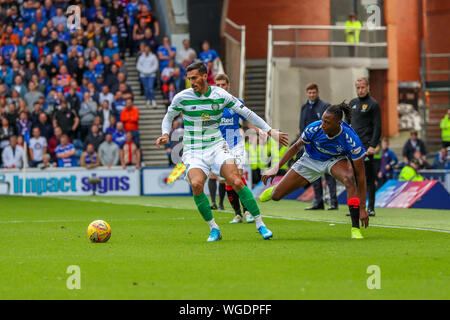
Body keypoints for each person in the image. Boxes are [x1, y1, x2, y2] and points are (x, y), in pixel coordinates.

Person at [156, 61, 289, 242]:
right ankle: (214, 228)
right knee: (196, 185)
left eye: (194, 78)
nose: (191, 82)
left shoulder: (221, 95)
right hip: (193, 151)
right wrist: (165, 133)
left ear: (205, 76)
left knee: (236, 180)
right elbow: (168, 117)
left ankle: (260, 224)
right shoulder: (182, 97)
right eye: (189, 79)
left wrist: (270, 130)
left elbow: (248, 114)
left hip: (217, 146)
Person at [259, 103, 369, 239]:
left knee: (350, 179)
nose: (323, 124)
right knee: (276, 196)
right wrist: (276, 168)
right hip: (310, 160)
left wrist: (363, 208)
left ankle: (355, 228)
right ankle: (276, 189)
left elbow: (361, 176)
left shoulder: (351, 139)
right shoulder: (314, 128)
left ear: (338, 123)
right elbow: (295, 147)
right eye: (323, 120)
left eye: (327, 122)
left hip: (334, 160)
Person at [213, 73, 257, 224]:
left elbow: (248, 120)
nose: (220, 88)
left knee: (238, 176)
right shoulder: (212, 104)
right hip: (220, 145)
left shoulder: (237, 102)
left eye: (223, 85)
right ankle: (237, 214)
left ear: (228, 86)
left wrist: (259, 131)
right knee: (228, 180)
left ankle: (247, 212)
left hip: (236, 142)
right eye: (217, 85)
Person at [299, 83, 338, 211]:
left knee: (329, 174)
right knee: (315, 175)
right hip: (311, 147)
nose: (312, 95)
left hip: (325, 146)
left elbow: (331, 125)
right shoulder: (304, 108)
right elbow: (302, 127)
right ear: (306, 93)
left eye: (314, 92)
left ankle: (333, 202)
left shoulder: (325, 106)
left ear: (317, 92)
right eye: (309, 93)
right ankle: (318, 202)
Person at [349, 77, 381, 217]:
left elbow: (377, 126)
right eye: (358, 88)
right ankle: (355, 207)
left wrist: (373, 145)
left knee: (367, 179)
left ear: (368, 87)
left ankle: (370, 208)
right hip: (353, 147)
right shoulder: (352, 103)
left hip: (366, 148)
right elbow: (347, 125)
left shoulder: (373, 104)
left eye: (362, 87)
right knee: (353, 178)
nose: (360, 90)